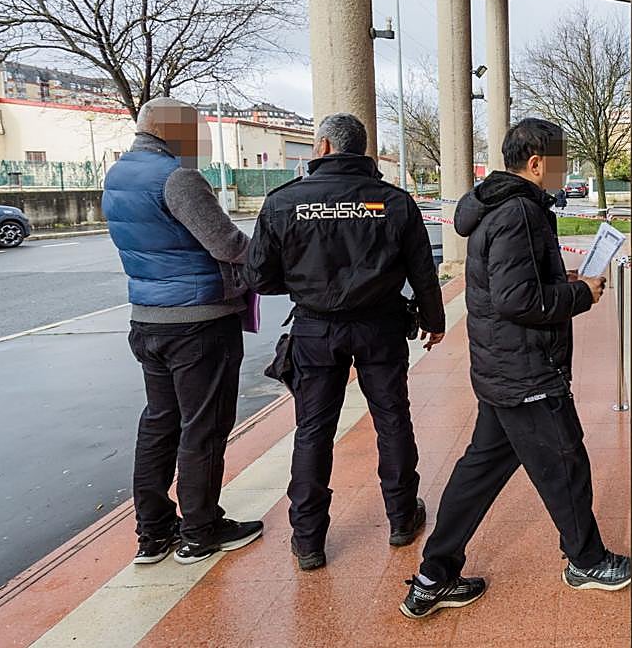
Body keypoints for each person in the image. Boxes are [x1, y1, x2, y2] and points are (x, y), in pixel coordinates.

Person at [400, 117, 630, 620]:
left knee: (477, 473)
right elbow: (515, 299)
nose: (563, 169)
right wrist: (578, 294)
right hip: (526, 370)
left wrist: (557, 276)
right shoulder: (520, 212)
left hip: (502, 368)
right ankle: (587, 561)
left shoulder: (498, 206)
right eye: (560, 160)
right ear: (535, 163)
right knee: (566, 465)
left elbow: (513, 281)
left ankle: (432, 577)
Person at [246, 113, 445, 571]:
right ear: (361, 149)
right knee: (392, 420)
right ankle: (401, 518)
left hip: (315, 330)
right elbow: (422, 271)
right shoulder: (393, 202)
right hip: (380, 326)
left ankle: (309, 538)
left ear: (322, 148)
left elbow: (257, 275)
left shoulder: (283, 202)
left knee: (313, 430)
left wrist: (305, 286)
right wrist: (434, 321)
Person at [102, 98, 263, 566]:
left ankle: (152, 533)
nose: (198, 141)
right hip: (198, 322)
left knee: (159, 422)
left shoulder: (117, 175)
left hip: (148, 319)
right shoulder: (178, 177)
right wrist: (269, 256)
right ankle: (201, 529)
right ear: (170, 131)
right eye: (193, 131)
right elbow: (227, 243)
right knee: (204, 426)